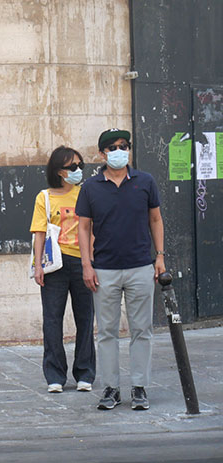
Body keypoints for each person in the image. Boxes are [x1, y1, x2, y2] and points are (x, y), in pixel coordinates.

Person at [76, 128, 165, 411]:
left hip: (140, 266)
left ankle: (139, 387)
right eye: (112, 147)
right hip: (104, 270)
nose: (119, 151)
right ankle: (111, 389)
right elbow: (83, 227)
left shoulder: (145, 181)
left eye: (124, 146)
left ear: (129, 149)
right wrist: (86, 264)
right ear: (102, 153)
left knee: (142, 330)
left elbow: (156, 219)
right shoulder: (91, 187)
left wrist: (160, 256)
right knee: (107, 332)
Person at [29, 146, 96, 394]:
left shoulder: (87, 193)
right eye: (72, 167)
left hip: (84, 263)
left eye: (81, 166)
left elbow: (94, 229)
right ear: (59, 171)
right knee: (52, 320)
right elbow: (39, 232)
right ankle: (55, 375)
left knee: (86, 319)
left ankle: (85, 373)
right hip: (55, 265)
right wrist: (38, 266)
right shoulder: (44, 197)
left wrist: (93, 261)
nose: (78, 171)